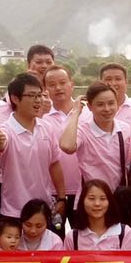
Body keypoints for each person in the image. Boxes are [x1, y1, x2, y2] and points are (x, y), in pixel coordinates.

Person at [0, 73, 68, 222]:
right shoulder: (5, 130)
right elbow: (1, 145)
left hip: (44, 209)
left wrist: (61, 197)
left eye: (40, 95)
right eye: (32, 96)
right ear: (15, 98)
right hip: (15, 212)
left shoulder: (47, 128)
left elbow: (54, 164)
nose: (38, 100)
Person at [59, 83, 131, 216]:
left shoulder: (124, 129)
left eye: (111, 103)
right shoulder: (83, 130)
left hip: (117, 200)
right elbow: (67, 146)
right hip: (90, 202)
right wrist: (76, 112)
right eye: (100, 104)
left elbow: (127, 164)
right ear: (90, 107)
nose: (107, 109)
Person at [40, 66, 82, 221]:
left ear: (72, 84)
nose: (58, 88)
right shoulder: (40, 117)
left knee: (82, 234)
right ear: (45, 89)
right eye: (52, 84)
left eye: (63, 82)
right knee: (54, 231)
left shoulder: (87, 113)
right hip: (52, 192)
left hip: (82, 192)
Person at [68, 179, 131, 251]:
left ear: (109, 202)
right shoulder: (73, 237)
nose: (97, 204)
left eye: (103, 199)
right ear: (82, 201)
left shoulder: (125, 233)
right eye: (91, 198)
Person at [100, 63, 131, 129]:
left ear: (126, 82)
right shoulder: (88, 111)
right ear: (101, 83)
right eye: (108, 79)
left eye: (118, 79)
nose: (113, 83)